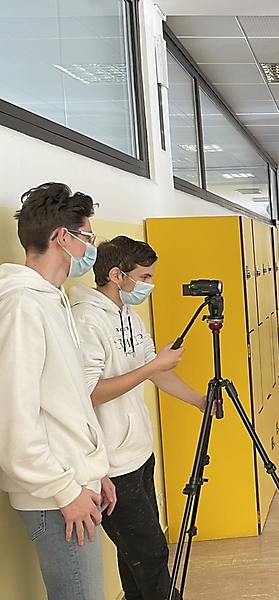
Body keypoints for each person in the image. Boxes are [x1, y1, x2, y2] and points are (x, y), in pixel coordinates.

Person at [70, 236, 206, 600]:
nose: (149, 285)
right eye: (144, 277)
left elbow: (155, 371)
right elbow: (89, 392)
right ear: (117, 275)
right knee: (151, 554)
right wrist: (152, 366)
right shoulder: (86, 320)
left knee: (135, 560)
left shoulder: (128, 315)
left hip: (140, 454)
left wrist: (198, 400)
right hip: (112, 465)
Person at [0, 182, 113, 600]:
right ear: (62, 237)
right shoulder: (22, 306)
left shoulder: (52, 299)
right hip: (55, 497)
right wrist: (67, 489)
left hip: (73, 483)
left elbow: (66, 400)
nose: (90, 248)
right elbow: (14, 419)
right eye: (88, 238)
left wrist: (95, 469)